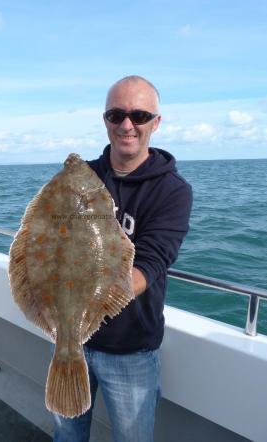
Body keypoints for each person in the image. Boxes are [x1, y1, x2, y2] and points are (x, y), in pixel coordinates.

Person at [53, 75, 193, 442]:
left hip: (130, 349)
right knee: (66, 434)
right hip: (71, 341)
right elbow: (47, 241)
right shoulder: (78, 179)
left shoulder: (172, 191)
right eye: (116, 115)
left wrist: (91, 306)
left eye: (140, 115)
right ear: (105, 120)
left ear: (156, 123)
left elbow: (151, 263)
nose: (127, 125)